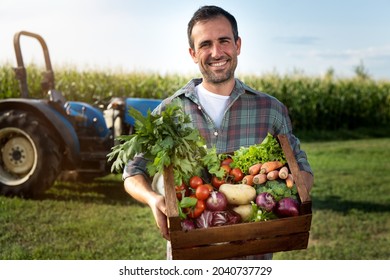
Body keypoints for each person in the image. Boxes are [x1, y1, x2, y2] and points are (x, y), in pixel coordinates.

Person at [123, 5, 314, 259]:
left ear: (238, 45)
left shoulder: (270, 110)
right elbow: (132, 171)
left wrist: (287, 197)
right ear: (193, 53)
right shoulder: (168, 111)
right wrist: (152, 199)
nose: (216, 52)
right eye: (205, 44)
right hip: (191, 257)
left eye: (224, 41)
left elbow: (302, 168)